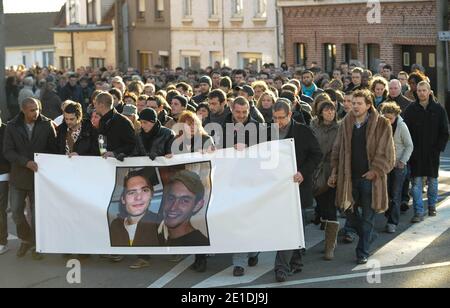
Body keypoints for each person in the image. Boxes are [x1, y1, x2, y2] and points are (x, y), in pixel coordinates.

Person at [329, 89, 395, 265]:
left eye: (359, 103)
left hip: (370, 179)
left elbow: (387, 153)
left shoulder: (382, 124)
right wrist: (334, 171)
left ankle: (362, 252)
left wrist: (375, 171)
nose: (354, 106)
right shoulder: (345, 123)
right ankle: (369, 235)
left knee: (367, 217)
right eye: (353, 103)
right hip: (348, 178)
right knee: (347, 211)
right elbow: (336, 149)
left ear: (368, 105)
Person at [272, 99, 322, 282]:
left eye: (282, 118)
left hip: (297, 187)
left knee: (292, 226)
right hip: (277, 189)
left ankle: (282, 268)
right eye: (275, 118)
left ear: (290, 115)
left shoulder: (303, 131)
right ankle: (294, 261)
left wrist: (303, 172)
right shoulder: (268, 132)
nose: (278, 122)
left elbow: (317, 154)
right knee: (286, 227)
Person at [3, 98, 57, 260]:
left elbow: (54, 149)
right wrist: (25, 162)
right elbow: (8, 151)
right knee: (17, 213)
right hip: (19, 176)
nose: (36, 112)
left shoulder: (46, 125)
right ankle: (27, 239)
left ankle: (35, 245)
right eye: (32, 110)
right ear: (23, 110)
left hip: (39, 177)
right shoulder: (12, 126)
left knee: (36, 214)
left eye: (38, 109)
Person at [403, 81, 449, 222]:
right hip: (415, 153)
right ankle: (418, 212)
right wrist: (409, 149)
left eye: (424, 90)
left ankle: (431, 206)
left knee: (433, 180)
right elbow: (405, 131)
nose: (421, 93)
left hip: (432, 153)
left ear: (429, 91)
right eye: (419, 90)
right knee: (416, 183)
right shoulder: (411, 109)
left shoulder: (438, 109)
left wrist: (438, 149)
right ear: (416, 92)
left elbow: (444, 131)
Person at [311, 100, 340, 261]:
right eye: (327, 110)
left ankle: (330, 246)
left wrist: (334, 173)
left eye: (332, 110)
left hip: (331, 170)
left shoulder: (339, 128)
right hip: (314, 170)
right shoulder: (313, 126)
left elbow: (340, 152)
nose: (330, 113)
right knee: (320, 207)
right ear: (321, 112)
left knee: (330, 209)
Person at [380, 103, 413, 233]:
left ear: (396, 116)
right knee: (386, 193)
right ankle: (389, 214)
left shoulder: (401, 126)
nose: (388, 121)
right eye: (385, 118)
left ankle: (392, 222)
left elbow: (409, 145)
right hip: (385, 165)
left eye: (391, 118)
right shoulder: (381, 125)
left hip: (398, 165)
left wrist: (403, 161)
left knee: (395, 193)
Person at [109, 170, 160, 248]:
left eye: (144, 190)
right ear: (123, 199)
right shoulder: (115, 225)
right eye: (131, 192)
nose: (138, 197)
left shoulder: (161, 224)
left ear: (151, 195)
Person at [158, 170, 209, 247]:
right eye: (171, 198)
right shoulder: (158, 237)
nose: (173, 207)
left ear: (197, 206)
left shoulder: (200, 246)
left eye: (184, 201)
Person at [94, 92, 136, 159]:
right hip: (104, 162)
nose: (94, 106)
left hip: (120, 164)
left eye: (95, 103)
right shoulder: (102, 121)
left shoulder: (123, 122)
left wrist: (115, 153)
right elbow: (102, 139)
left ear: (101, 105)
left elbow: (132, 144)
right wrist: (103, 151)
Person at [0, 116, 10, 255]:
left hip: (3, 173)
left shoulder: (6, 130)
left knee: (0, 208)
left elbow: (7, 153)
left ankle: (2, 241)